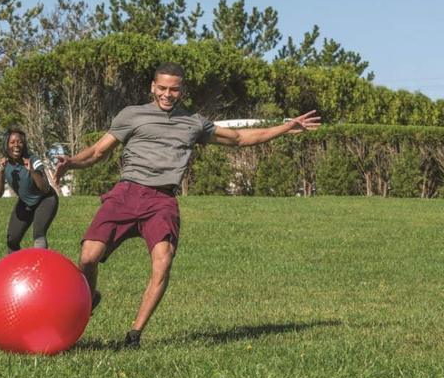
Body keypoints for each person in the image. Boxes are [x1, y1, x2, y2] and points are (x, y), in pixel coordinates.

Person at [55, 62, 321, 349]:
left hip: (162, 200)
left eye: (174, 89)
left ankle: (134, 334)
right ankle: (89, 297)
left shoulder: (194, 122)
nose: (168, 94)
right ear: (152, 87)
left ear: (181, 90)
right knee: (88, 256)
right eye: (162, 88)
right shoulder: (132, 115)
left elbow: (241, 138)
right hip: (126, 192)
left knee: (163, 261)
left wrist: (284, 128)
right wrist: (71, 163)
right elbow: (97, 151)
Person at [0, 128, 59, 252]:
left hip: (45, 199)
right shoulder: (2, 164)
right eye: (12, 142)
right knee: (12, 240)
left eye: (20, 142)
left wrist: (32, 172)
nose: (16, 145)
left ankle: (40, 268)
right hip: (26, 203)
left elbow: (45, 188)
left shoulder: (33, 160)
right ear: (6, 145)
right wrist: (1, 172)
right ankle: (17, 270)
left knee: (38, 235)